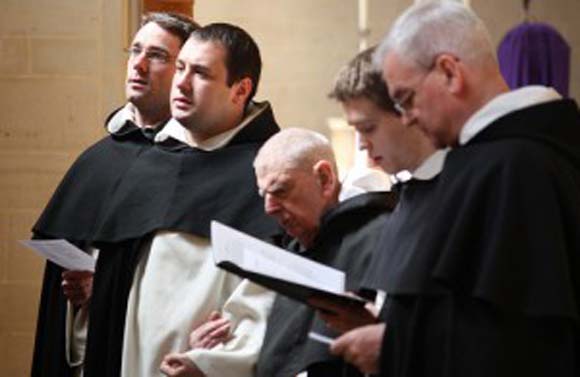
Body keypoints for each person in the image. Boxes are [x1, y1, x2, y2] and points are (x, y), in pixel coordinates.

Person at [333, 1, 580, 376]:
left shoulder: (507, 167)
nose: (408, 117)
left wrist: (395, 346)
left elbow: (521, 342)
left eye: (406, 99)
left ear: (449, 72)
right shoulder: (519, 153)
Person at [83, 23, 281, 377]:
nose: (182, 84)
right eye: (181, 68)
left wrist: (214, 361)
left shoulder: (268, 173)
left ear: (241, 90)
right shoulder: (147, 164)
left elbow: (273, 299)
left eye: (201, 73)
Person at [31, 12, 198, 377]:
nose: (138, 64)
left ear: (185, 73)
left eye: (157, 56)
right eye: (135, 50)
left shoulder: (195, 166)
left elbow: (187, 286)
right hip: (80, 350)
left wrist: (103, 288)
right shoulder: (96, 159)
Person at [252, 128, 396, 377]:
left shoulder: (379, 236)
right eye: (264, 195)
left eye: (281, 190)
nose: (269, 208)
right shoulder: (292, 251)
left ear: (325, 179)